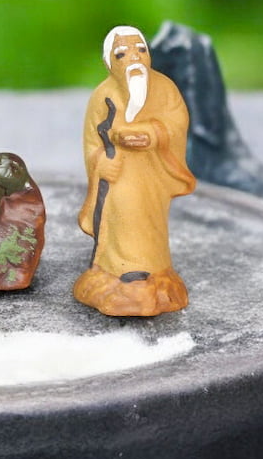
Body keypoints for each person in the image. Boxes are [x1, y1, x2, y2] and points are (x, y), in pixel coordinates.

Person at [74, 26, 196, 316]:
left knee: (149, 220)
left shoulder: (165, 89)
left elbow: (177, 122)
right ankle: (115, 273)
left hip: (154, 173)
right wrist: (102, 162)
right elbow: (92, 141)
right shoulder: (102, 96)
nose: (134, 58)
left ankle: (155, 274)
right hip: (119, 177)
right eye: (122, 53)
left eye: (140, 50)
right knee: (122, 216)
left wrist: (154, 134)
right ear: (109, 63)